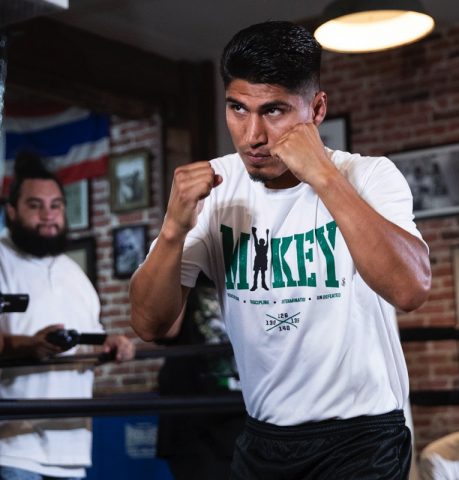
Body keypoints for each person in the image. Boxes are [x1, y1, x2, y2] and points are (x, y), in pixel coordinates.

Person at [128, 20, 431, 480]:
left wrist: (324, 177)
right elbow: (152, 324)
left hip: (362, 438)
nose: (252, 136)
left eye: (274, 111)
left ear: (317, 108)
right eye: (237, 109)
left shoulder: (369, 177)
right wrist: (172, 230)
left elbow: (410, 289)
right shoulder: (218, 189)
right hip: (263, 438)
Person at [0, 151, 135, 480]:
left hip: (72, 446)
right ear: (12, 211)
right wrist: (31, 346)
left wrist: (110, 348)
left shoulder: (75, 275)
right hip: (11, 444)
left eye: (56, 205)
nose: (48, 215)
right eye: (35, 205)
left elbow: (84, 349)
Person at [155, 273, 246, 480]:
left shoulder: (248, 272)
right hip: (195, 421)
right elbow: (164, 329)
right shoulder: (188, 268)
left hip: (248, 416)